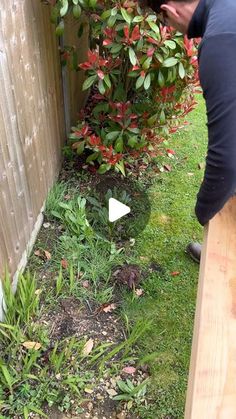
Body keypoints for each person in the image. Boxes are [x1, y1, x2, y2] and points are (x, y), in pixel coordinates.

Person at [142, 0, 236, 262]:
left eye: (166, 23)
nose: (172, 28)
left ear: (170, 10)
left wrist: (205, 210)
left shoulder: (221, 39)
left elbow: (227, 158)